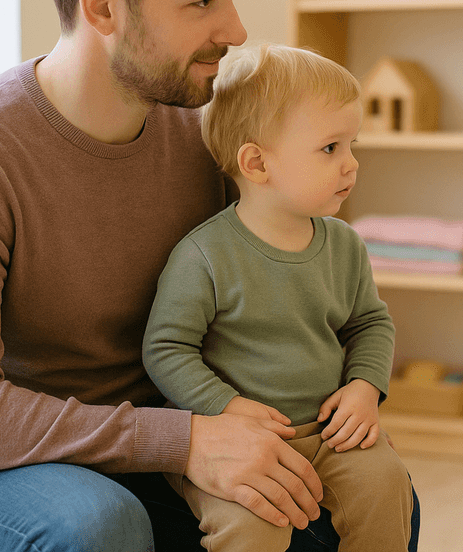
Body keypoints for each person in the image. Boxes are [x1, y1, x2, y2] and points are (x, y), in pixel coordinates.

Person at [0, 0, 419, 552]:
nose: (234, 29)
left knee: (356, 505)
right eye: (203, 2)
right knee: (101, 527)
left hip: (163, 432)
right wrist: (187, 439)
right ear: (103, 6)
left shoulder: (205, 136)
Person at [143, 43, 414, 551]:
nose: (352, 164)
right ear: (257, 163)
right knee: (252, 527)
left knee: (387, 488)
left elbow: (370, 324)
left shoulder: (344, 245)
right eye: (331, 148)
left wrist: (364, 388)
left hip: (329, 432)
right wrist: (223, 405)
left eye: (352, 144)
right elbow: (166, 349)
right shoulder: (203, 256)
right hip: (235, 441)